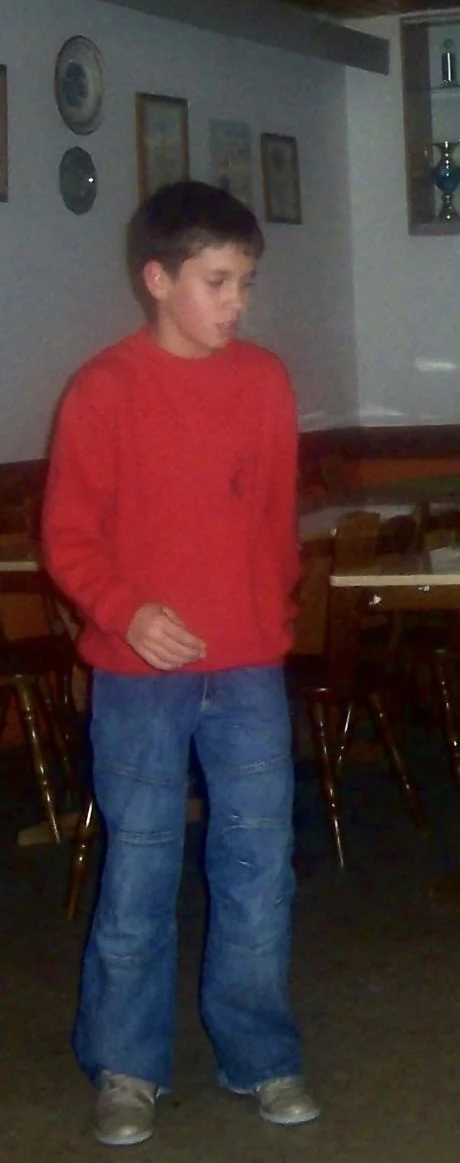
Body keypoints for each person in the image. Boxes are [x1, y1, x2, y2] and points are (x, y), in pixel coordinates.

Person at [42, 181, 318, 1147]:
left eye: (244, 280)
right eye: (217, 281)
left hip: (246, 669)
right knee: (141, 871)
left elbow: (274, 521)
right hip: (136, 674)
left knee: (257, 869)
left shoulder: (266, 382)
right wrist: (126, 611)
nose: (237, 300)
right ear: (157, 280)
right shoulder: (103, 390)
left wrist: (264, 614)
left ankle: (261, 1054)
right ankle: (127, 1064)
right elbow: (67, 538)